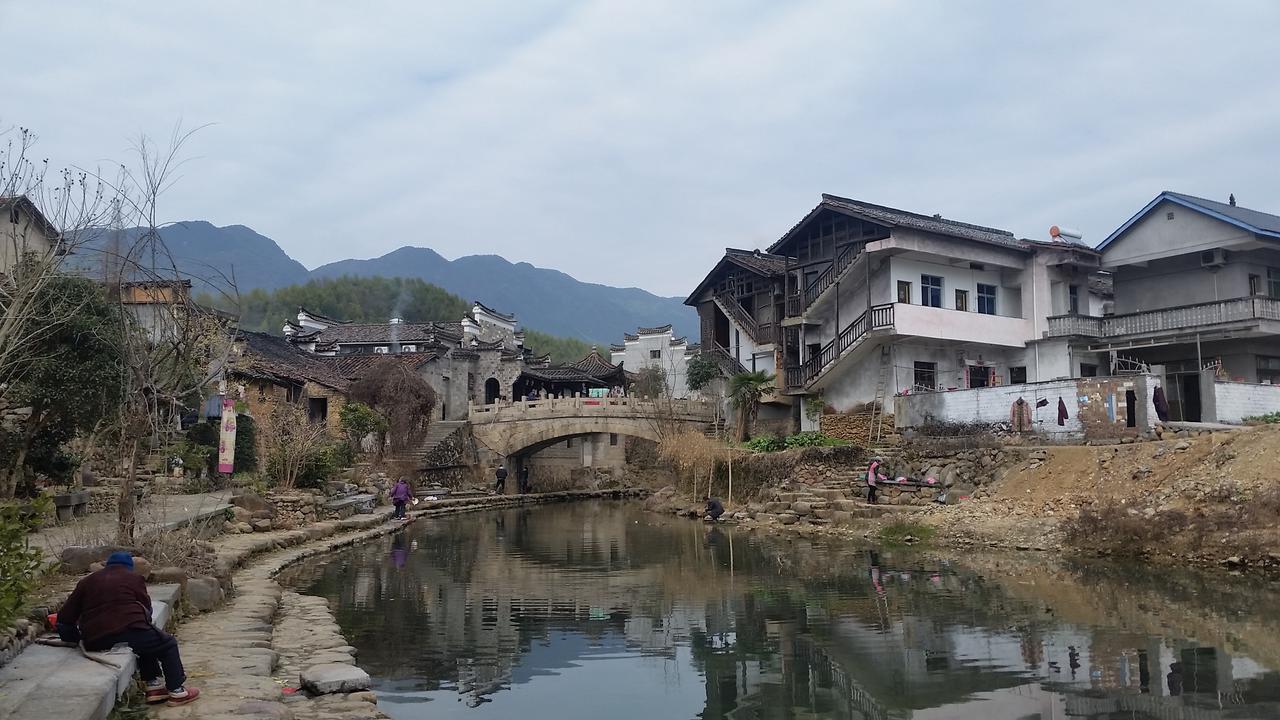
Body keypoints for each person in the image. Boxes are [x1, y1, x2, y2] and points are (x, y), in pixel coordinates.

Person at [57, 552, 200, 706]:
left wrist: (73, 638)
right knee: (167, 643)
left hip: (95, 640)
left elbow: (64, 618)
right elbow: (146, 609)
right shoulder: (133, 578)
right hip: (129, 630)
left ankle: (155, 687)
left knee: (145, 639)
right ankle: (177, 691)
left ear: (107, 565)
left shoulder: (86, 581)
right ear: (129, 567)